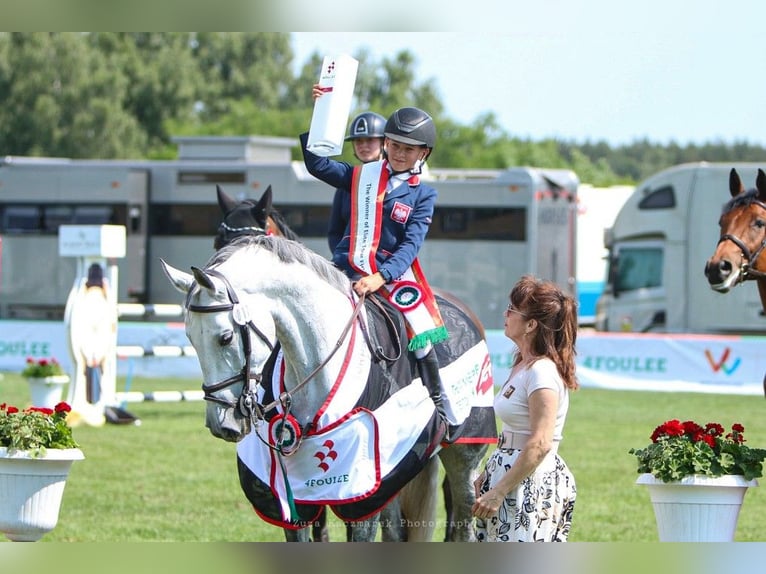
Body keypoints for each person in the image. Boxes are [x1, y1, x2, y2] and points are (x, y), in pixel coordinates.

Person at [300, 104, 450, 438]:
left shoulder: (424, 194)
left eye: (408, 149)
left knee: (421, 334)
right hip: (345, 267)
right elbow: (317, 165)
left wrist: (381, 277)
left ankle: (437, 400)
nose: (399, 153)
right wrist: (321, 112)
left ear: (422, 153)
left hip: (389, 275)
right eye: (394, 145)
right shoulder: (360, 177)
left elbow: (410, 246)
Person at [471, 274, 578, 542]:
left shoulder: (542, 372)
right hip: (511, 473)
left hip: (529, 482)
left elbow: (540, 443)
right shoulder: (523, 366)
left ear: (531, 324)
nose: (505, 314)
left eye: (512, 310)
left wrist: (499, 490)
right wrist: (489, 475)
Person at [327, 110, 386, 253]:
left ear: (384, 143)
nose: (363, 145)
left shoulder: (394, 181)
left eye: (370, 140)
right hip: (349, 265)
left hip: (385, 266)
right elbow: (335, 232)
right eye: (358, 141)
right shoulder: (347, 182)